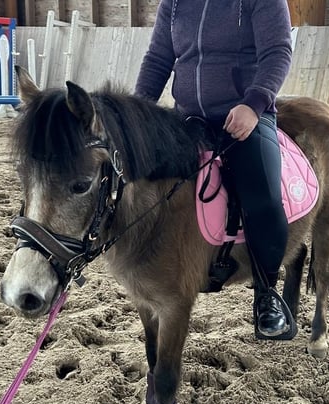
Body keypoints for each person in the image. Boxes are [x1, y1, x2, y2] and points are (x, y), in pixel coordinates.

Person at [134, 0, 295, 338]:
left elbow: (277, 53)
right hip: (187, 118)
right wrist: (138, 109)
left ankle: (266, 292)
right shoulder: (174, 3)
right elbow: (159, 59)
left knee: (262, 195)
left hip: (246, 116)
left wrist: (253, 105)